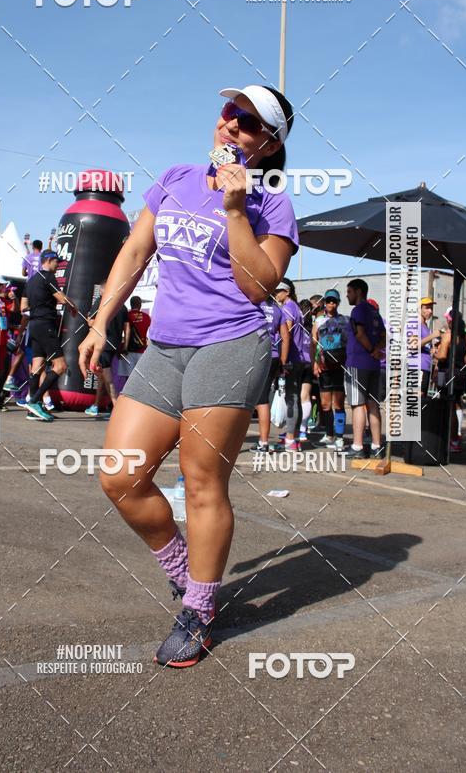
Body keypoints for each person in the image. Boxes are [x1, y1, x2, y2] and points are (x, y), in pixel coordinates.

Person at [78, 84, 297, 667]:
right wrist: (101, 322)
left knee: (201, 482)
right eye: (231, 112)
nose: (232, 125)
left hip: (231, 341)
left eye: (250, 124)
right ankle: (184, 569)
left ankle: (199, 608)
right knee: (120, 476)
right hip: (166, 346)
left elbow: (259, 285)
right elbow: (133, 252)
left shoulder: (272, 202)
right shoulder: (175, 177)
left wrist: (233, 207)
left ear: (269, 146)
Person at [21, 250, 78, 421]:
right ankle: (35, 401)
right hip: (46, 324)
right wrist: (73, 306)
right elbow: (61, 299)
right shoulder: (48, 277)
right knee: (60, 366)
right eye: (56, 262)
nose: (57, 265)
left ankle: (33, 409)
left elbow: (23, 308)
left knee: (37, 366)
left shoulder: (30, 281)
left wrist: (37, 308)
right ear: (48, 261)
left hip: (34, 325)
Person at [343, 279, 386, 459]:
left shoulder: (358, 310)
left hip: (358, 362)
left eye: (350, 291)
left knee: (358, 405)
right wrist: (377, 352)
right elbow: (384, 335)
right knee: (373, 404)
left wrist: (370, 350)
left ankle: (358, 446)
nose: (347, 295)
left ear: (359, 291)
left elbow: (359, 334)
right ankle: (377, 446)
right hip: (373, 365)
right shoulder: (375, 312)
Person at [84, 282, 130, 418]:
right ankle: (96, 405)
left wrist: (89, 319)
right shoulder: (122, 306)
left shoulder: (101, 303)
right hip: (113, 345)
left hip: (103, 345)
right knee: (102, 377)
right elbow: (127, 328)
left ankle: (116, 410)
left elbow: (91, 323)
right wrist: (125, 345)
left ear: (104, 291)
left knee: (107, 378)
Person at [252, 295, 289, 452]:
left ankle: (263, 442)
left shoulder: (253, 303)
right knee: (263, 398)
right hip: (273, 356)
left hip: (254, 354)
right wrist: (283, 361)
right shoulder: (277, 310)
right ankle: (264, 442)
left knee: (254, 400)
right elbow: (285, 336)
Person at [312, 288, 348, 450]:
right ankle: (329, 434)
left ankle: (339, 437)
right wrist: (315, 362)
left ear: (338, 303)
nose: (331, 304)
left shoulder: (345, 321)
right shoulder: (319, 321)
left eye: (334, 301)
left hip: (340, 366)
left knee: (338, 404)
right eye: (328, 301)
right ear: (324, 303)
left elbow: (350, 342)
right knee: (325, 404)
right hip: (324, 365)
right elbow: (313, 343)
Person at [436, 308, 466, 452]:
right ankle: (455, 441)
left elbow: (443, 356)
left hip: (448, 374)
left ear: (450, 321)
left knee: (447, 408)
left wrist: (435, 353)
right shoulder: (465, 337)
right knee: (455, 405)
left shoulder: (449, 336)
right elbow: (465, 358)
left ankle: (448, 439)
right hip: (460, 374)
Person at [276, 279, 305, 451]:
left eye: (279, 290)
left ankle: (290, 439)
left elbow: (284, 333)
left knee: (292, 398)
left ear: (287, 292)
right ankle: (294, 437)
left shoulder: (287, 308)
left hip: (292, 358)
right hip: (300, 357)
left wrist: (282, 360)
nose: (276, 293)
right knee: (295, 398)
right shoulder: (296, 307)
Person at [297, 299, 314, 443]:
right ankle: (303, 431)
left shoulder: (296, 325)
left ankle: (296, 430)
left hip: (298, 361)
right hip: (309, 362)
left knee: (295, 398)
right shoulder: (311, 326)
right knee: (306, 397)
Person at [419, 297, 438, 396]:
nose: (430, 311)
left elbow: (424, 345)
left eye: (431, 308)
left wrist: (433, 350)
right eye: (427, 308)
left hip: (426, 367)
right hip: (418, 367)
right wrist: (432, 336)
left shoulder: (426, 326)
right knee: (417, 398)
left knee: (422, 398)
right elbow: (413, 345)